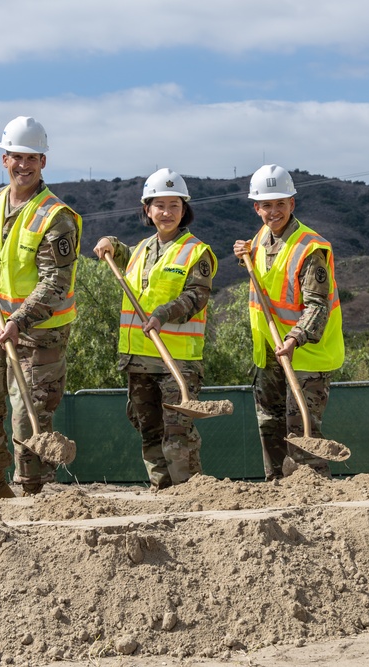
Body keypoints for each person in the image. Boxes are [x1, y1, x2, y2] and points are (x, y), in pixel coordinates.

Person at [0, 116, 82, 499]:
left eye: (32, 158)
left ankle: (34, 491)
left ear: (43, 162)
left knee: (29, 415)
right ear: (4, 159)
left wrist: (20, 320)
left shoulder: (56, 218)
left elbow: (55, 282)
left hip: (40, 331)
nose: (23, 166)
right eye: (16, 157)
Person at [93, 169, 217, 490]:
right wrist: (110, 242)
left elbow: (195, 296)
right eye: (159, 205)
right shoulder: (143, 250)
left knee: (177, 435)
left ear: (184, 209)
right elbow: (123, 253)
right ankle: (162, 492)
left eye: (174, 205)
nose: (167, 212)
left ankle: (189, 495)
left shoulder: (196, 252)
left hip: (177, 362)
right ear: (147, 209)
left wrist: (162, 315)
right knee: (149, 431)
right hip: (139, 360)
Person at [233, 164, 344, 481]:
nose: (274, 211)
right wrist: (243, 253)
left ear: (292, 203)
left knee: (302, 430)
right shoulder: (260, 241)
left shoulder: (310, 247)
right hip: (269, 353)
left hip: (305, 355)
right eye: (266, 205)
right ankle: (277, 489)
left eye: (280, 203)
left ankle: (315, 493)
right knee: (269, 424)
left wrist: (294, 339)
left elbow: (317, 306)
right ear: (257, 208)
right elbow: (270, 280)